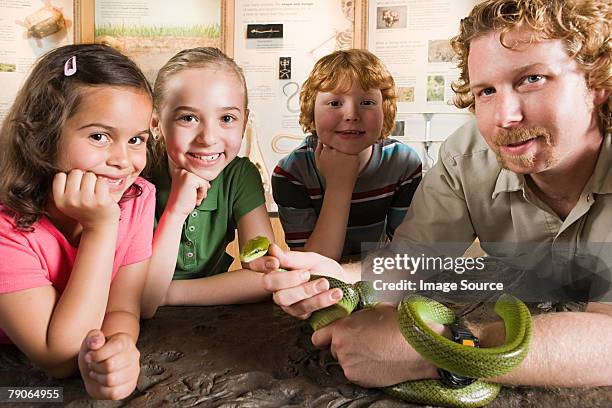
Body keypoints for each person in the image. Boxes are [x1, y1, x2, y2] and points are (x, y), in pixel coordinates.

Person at [259, 0, 612, 389]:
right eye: (486, 91)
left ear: (596, 82)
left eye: (532, 79)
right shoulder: (466, 156)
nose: (505, 116)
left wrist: (441, 347)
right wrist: (342, 280)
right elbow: (414, 259)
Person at [0, 44, 155, 399]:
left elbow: (121, 306)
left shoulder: (137, 197)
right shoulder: (7, 227)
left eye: (136, 140)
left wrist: (115, 349)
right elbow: (60, 357)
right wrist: (101, 229)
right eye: (99, 136)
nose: (122, 160)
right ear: (44, 135)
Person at [141, 47, 275, 318]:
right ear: (156, 124)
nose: (208, 138)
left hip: (211, 318)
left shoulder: (240, 176)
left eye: (227, 118)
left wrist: (167, 293)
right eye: (188, 118)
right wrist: (175, 211)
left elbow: (266, 275)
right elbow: (143, 300)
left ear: (244, 121)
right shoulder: (136, 177)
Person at [272, 49, 422, 261]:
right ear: (311, 110)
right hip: (319, 287)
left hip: (379, 279)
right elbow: (312, 265)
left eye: (367, 102)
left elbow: (407, 254)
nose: (351, 115)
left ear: (385, 110)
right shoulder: (291, 173)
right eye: (335, 103)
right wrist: (339, 185)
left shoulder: (403, 162)